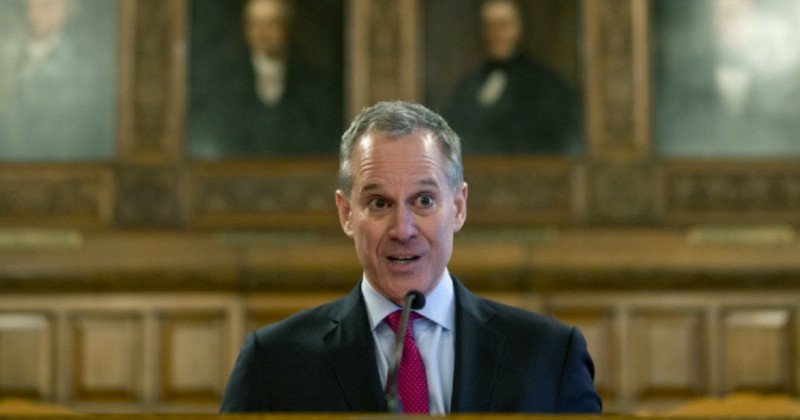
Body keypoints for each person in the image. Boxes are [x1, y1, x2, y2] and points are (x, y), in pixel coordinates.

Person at [220, 101, 601, 414]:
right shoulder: (274, 362)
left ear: (459, 207)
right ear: (346, 213)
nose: (403, 229)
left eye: (424, 201)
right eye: (379, 203)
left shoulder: (549, 355)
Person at [187, 0, 340, 157]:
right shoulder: (224, 80)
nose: (262, 33)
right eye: (256, 24)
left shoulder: (312, 80)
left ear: (287, 27)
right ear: (246, 29)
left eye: (271, 24)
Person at [442, 0, 581, 155]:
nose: (495, 34)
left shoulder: (548, 87)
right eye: (488, 26)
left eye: (503, 25)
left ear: (521, 28)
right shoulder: (468, 86)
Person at [0, 0, 115, 160]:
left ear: (64, 11)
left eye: (44, 6)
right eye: (28, 7)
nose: (31, 16)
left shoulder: (84, 64)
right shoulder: (9, 53)